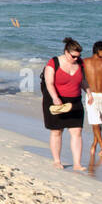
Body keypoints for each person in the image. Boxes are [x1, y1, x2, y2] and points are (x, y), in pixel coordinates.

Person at [42, 37, 86, 171]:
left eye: (78, 56)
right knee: (57, 131)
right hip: (56, 99)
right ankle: (57, 160)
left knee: (77, 131)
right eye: (73, 56)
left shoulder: (80, 63)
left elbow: (83, 81)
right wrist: (55, 98)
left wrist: (89, 92)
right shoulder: (53, 62)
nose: (76, 59)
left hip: (75, 100)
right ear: (66, 52)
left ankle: (77, 164)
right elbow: (49, 83)